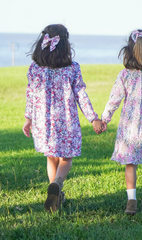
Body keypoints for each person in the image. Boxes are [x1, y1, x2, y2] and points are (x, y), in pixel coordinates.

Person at [22, 24, 103, 213]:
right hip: (66, 121)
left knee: (51, 156)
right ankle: (58, 183)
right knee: (66, 157)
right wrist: (93, 118)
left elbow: (31, 96)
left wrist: (28, 119)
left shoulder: (35, 68)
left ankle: (55, 192)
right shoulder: (72, 68)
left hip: (43, 122)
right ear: (65, 45)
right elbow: (81, 95)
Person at [101, 29, 142, 215]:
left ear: (129, 51)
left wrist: (104, 119)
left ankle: (132, 200)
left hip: (129, 126)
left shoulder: (124, 75)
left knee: (131, 162)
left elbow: (114, 99)